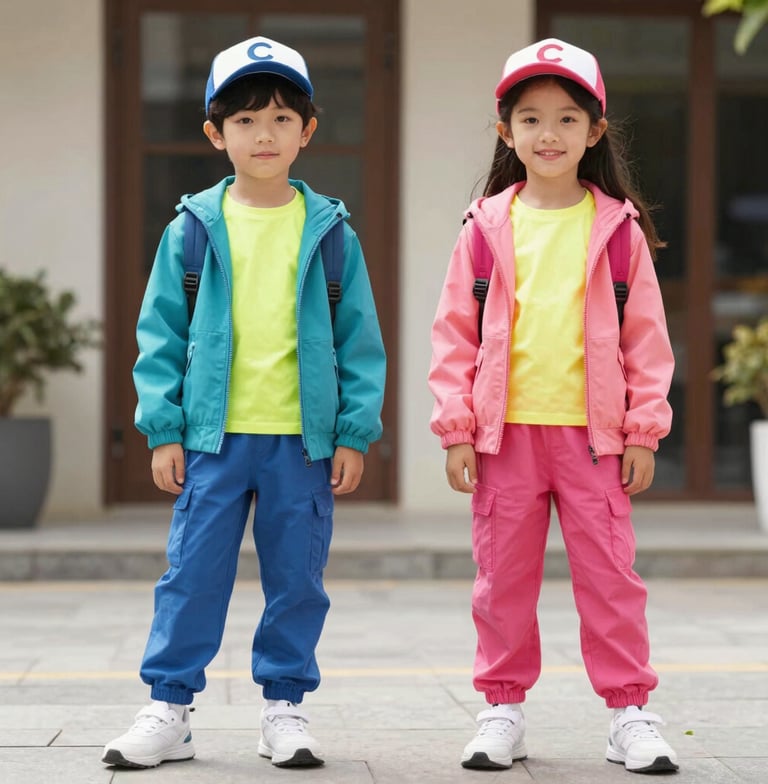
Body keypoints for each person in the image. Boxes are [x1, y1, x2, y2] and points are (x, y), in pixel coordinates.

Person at [102, 35, 386, 770]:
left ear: (308, 131)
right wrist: (163, 428)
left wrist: (353, 432)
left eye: (283, 119)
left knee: (297, 580)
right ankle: (170, 707)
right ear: (214, 133)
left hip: (302, 442)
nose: (265, 135)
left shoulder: (330, 233)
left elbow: (360, 342)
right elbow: (158, 334)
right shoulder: (192, 229)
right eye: (246, 121)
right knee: (192, 575)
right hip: (210, 440)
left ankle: (283, 708)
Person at [428, 38, 677, 775]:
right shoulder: (483, 230)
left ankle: (629, 712)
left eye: (567, 119)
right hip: (505, 440)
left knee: (611, 581)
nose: (548, 135)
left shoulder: (619, 230)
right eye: (530, 119)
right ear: (505, 131)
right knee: (502, 581)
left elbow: (647, 341)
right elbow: (453, 338)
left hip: (596, 441)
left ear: (595, 132)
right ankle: (503, 709)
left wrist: (644, 429)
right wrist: (456, 428)